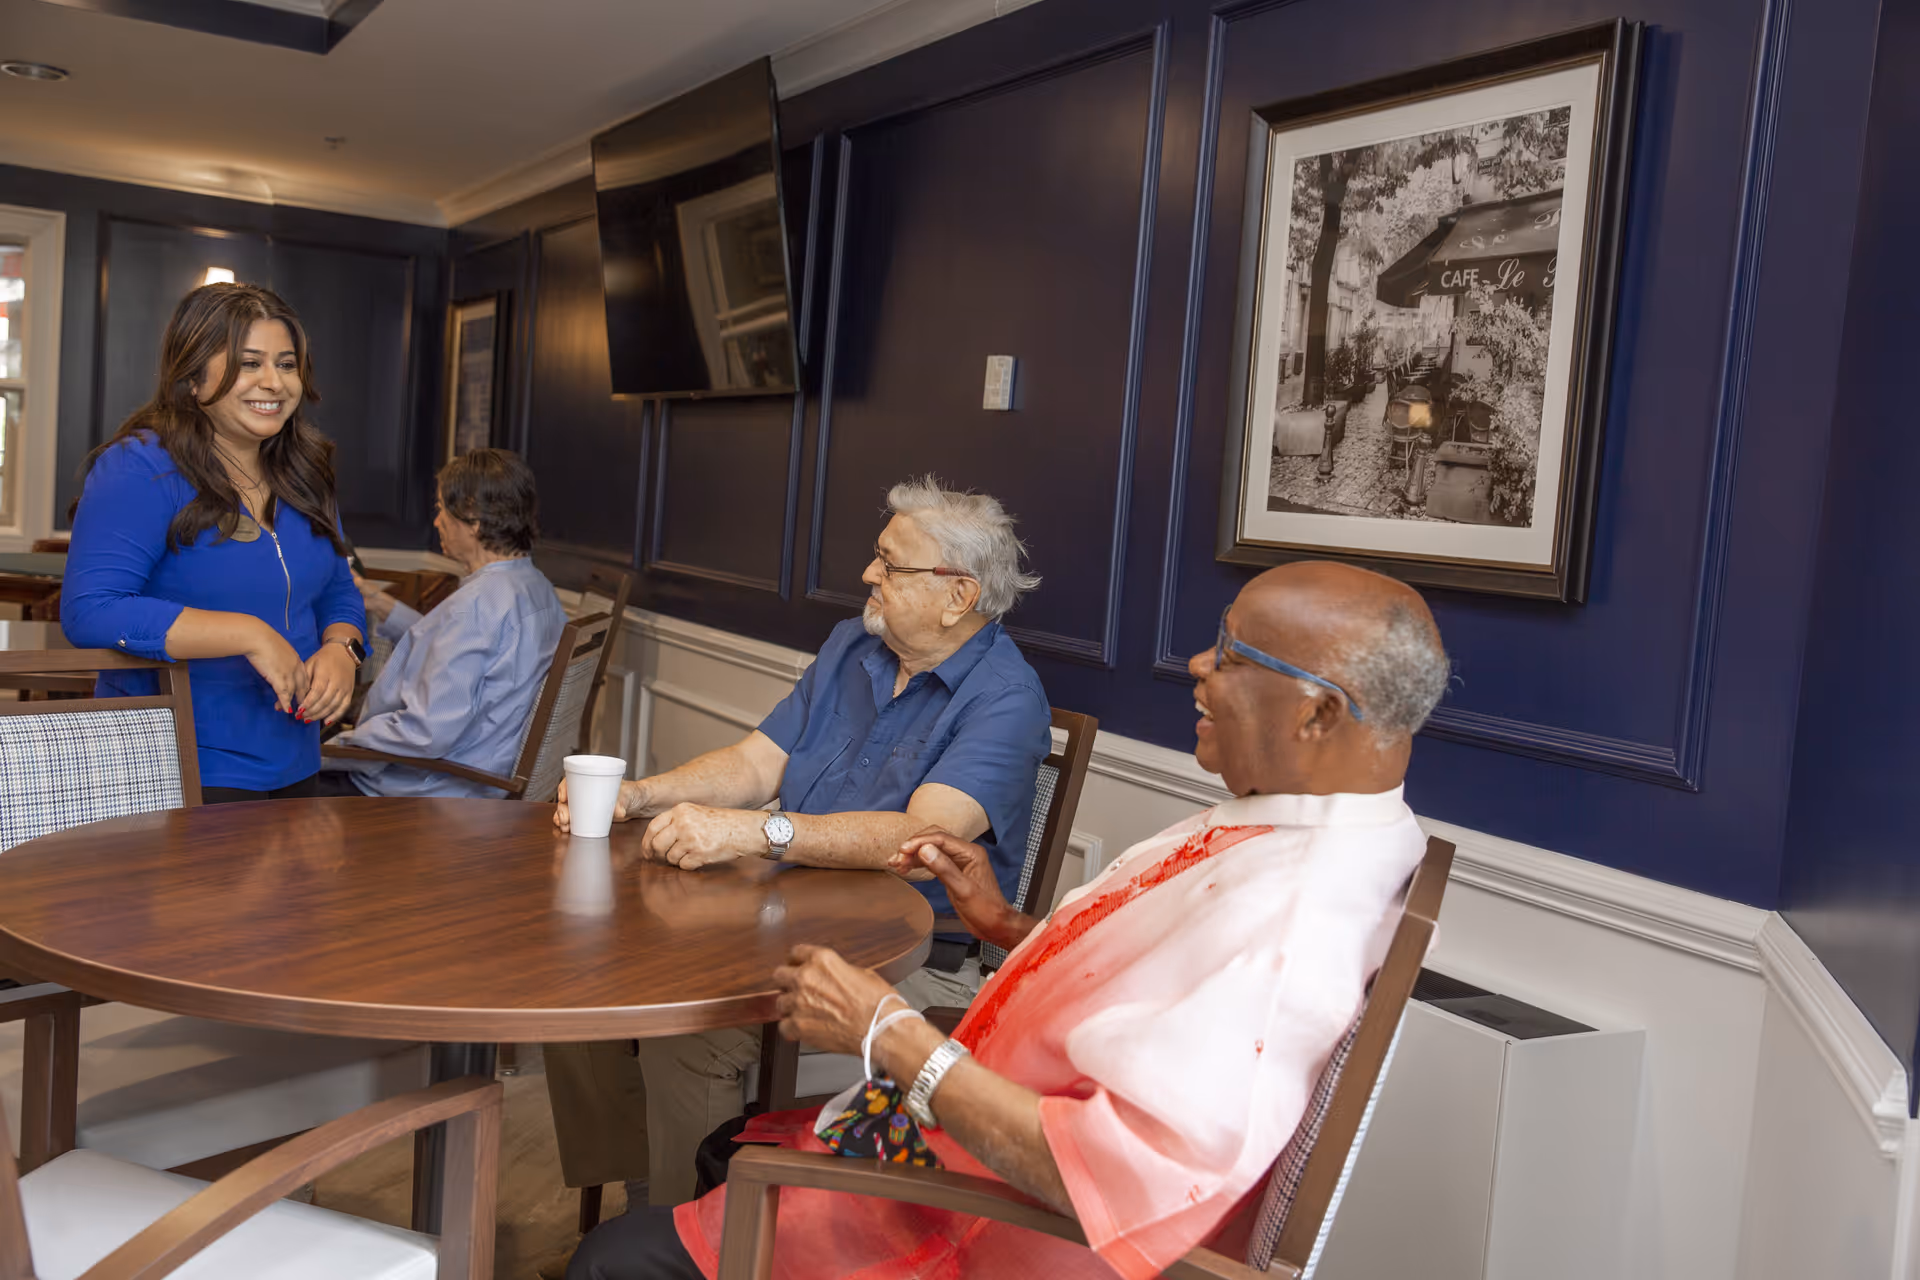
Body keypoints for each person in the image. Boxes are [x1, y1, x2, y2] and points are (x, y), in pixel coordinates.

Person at [565, 560, 1451, 1280]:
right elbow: (1151, 1000)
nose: (1197, 666)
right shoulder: (1302, 823)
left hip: (979, 1230)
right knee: (734, 1146)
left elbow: (1107, 1173)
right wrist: (1007, 924)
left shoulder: (1292, 919)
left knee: (615, 1259)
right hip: (962, 1147)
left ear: (1320, 712)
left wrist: (893, 1035)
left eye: (1232, 655)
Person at [545, 476, 1052, 1207]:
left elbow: (918, 836)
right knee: (592, 967)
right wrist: (642, 794)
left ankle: (691, 1236)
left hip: (911, 956)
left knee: (689, 1032)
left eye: (890, 563)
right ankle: (645, 1199)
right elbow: (756, 762)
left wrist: (758, 832)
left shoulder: (1007, 699)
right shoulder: (855, 644)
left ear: (958, 595)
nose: (868, 575)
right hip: (787, 908)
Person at [62, 283, 366, 803]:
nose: (274, 382)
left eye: (287, 364)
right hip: (178, 765)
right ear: (194, 378)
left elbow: (338, 588)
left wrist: (343, 648)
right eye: (249, 363)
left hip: (295, 755)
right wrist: (248, 634)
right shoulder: (141, 465)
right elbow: (90, 610)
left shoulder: (306, 471)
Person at [317, 449, 565, 798]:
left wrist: (338, 744)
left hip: (432, 789)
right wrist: (377, 602)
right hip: (483, 770)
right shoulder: (537, 588)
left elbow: (425, 733)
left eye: (440, 509)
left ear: (473, 518)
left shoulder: (473, 608)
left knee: (290, 790)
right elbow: (462, 649)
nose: (436, 522)